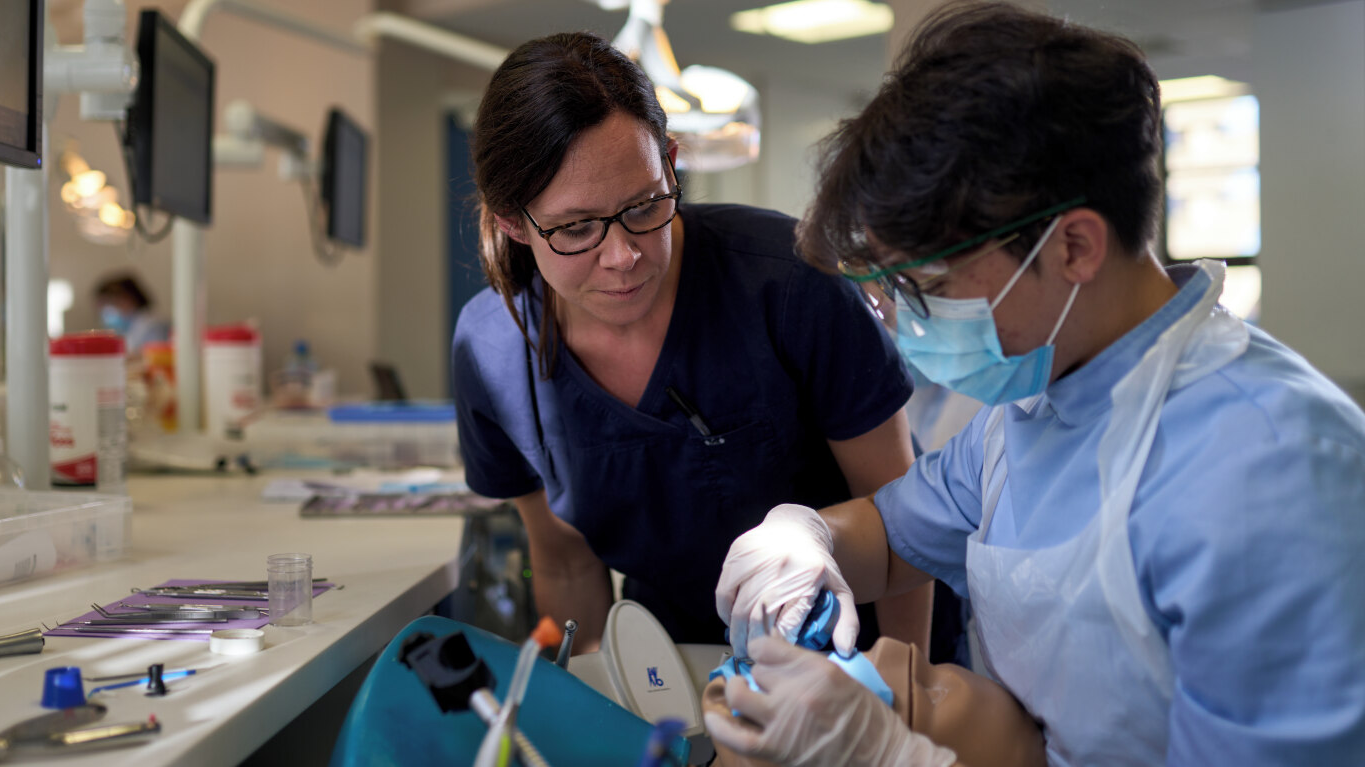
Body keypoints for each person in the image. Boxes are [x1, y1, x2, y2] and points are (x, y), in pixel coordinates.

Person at [710, 4, 1365, 766]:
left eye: (928, 284)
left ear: (1075, 246)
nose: (903, 323)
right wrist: (805, 540)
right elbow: (892, 536)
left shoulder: (1271, 467)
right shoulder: (1034, 402)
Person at [452, 31, 931, 654]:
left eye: (646, 205)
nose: (623, 256)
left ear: (671, 163)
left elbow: (903, 520)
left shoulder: (788, 283)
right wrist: (598, 711)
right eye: (575, 228)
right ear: (514, 222)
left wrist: (904, 689)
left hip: (863, 644)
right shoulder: (493, 351)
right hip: (673, 663)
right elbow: (567, 564)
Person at [94, 273, 169, 355]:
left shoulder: (153, 325)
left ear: (128, 299)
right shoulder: (128, 328)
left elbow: (154, 357)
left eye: (109, 303)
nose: (106, 311)